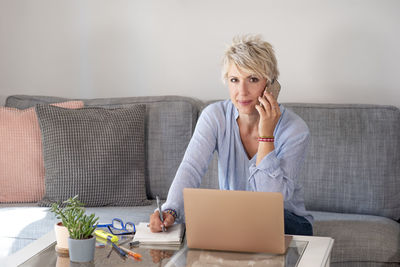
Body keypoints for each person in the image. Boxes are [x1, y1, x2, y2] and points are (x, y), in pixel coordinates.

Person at [149, 34, 313, 236]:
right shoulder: (215, 116)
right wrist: (171, 209)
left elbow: (271, 199)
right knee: (206, 220)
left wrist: (266, 135)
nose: (241, 91)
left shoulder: (295, 130)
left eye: (252, 79)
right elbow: (191, 168)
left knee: (236, 222)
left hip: (286, 221)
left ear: (270, 85)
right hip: (235, 219)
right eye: (234, 80)